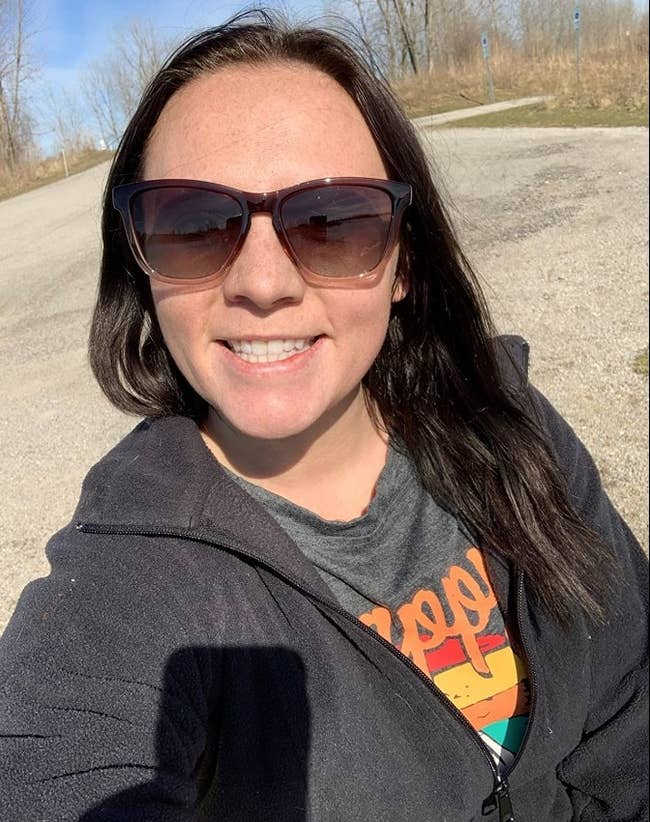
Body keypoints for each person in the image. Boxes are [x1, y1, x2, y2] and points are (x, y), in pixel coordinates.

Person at [0, 10, 647, 821]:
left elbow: (632, 702)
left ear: (405, 262)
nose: (263, 284)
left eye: (332, 221)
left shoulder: (507, 416)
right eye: (193, 224)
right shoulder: (126, 584)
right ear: (141, 266)